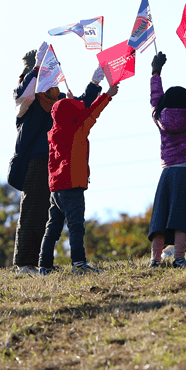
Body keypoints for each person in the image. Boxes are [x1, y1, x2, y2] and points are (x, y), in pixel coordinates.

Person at [10, 48, 103, 275]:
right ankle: (24, 264)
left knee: (51, 216)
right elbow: (28, 93)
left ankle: (42, 263)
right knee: (32, 210)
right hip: (34, 161)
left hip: (55, 164)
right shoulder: (24, 97)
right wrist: (36, 67)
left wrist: (95, 82)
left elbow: (79, 106)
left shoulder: (58, 99)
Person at [37, 80, 119, 274]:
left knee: (53, 228)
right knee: (76, 226)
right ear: (72, 114)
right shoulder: (78, 129)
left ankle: (44, 265)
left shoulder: (53, 132)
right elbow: (93, 112)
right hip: (73, 185)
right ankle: (78, 264)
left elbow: (74, 112)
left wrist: (71, 102)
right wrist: (108, 94)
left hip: (55, 188)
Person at [146, 50, 186, 269]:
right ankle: (179, 258)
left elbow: (155, 98)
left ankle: (154, 260)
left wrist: (156, 71)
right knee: (182, 217)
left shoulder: (159, 116)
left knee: (161, 217)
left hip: (167, 172)